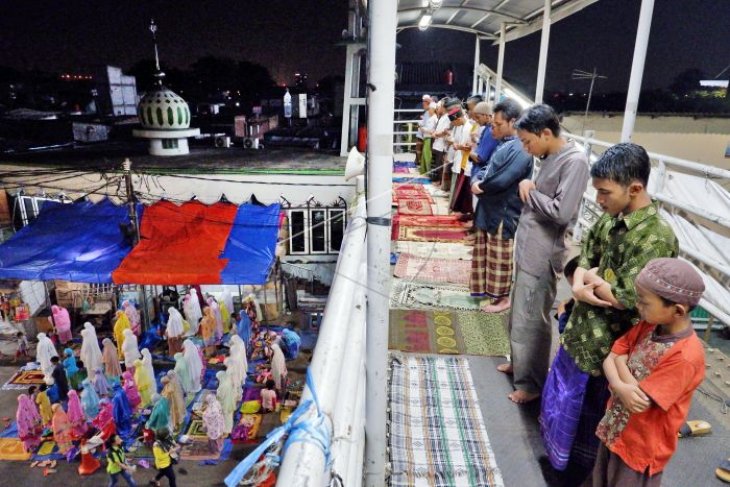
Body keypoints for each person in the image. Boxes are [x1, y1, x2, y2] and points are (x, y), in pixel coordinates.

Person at [541, 143, 679, 484]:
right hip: (584, 332)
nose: (599, 200)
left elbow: (629, 295)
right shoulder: (610, 218)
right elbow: (587, 254)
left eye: (605, 193)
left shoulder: (656, 236)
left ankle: (580, 476)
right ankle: (563, 467)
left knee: (595, 422)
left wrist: (590, 282)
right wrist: (585, 278)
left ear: (635, 188)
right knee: (569, 406)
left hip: (613, 346)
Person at [499, 104, 591, 404]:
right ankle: (520, 365)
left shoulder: (574, 161)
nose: (526, 148)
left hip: (542, 251)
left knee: (533, 317)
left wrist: (530, 190)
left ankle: (532, 383)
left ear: (547, 133)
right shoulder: (550, 154)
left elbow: (562, 211)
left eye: (528, 141)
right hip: (529, 246)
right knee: (519, 313)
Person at [586, 258, 705, 487]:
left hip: (639, 449)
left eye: (644, 302)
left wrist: (620, 363)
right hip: (614, 431)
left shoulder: (686, 356)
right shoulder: (650, 324)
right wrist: (621, 384)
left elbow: (639, 400)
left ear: (677, 311)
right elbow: (611, 357)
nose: (638, 306)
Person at [470, 98, 534, 313]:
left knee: (499, 256)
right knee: (485, 252)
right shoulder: (503, 144)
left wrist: (481, 186)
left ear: (513, 122)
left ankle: (502, 298)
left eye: (497, 125)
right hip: (489, 206)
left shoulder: (521, 149)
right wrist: (476, 181)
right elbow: (485, 167)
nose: (493, 128)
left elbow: (504, 179)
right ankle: (486, 292)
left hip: (503, 210)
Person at [216, 370, 237, 436]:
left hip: (225, 404)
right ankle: (228, 429)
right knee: (229, 416)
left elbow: (220, 396)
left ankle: (226, 431)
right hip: (230, 401)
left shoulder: (223, 386)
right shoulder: (228, 381)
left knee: (226, 417)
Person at [415, 94, 432, 168]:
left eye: (424, 101)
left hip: (426, 134)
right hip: (422, 133)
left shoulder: (430, 112)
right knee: (418, 148)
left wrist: (421, 127)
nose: (423, 103)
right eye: (423, 101)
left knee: (422, 150)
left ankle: (421, 165)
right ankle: (418, 162)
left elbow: (428, 126)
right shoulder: (426, 112)